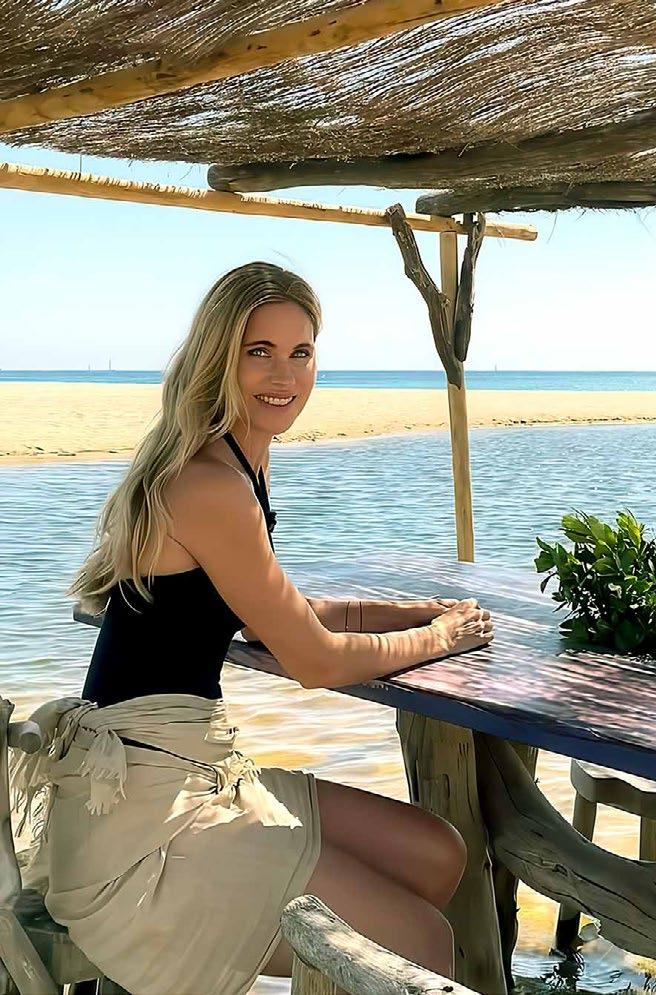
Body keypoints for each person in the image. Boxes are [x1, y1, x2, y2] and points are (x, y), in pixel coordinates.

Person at [15, 262, 494, 994]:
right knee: (420, 937)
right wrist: (439, 641)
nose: (284, 374)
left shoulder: (236, 463)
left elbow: (276, 616)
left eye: (301, 352)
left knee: (436, 852)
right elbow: (316, 660)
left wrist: (418, 613)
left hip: (188, 768)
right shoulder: (210, 484)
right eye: (258, 351)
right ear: (219, 356)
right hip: (144, 823)